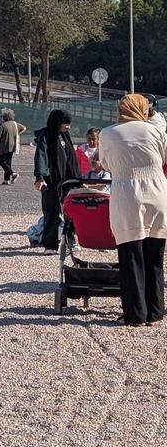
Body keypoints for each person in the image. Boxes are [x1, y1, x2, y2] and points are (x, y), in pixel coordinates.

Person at [100, 94, 167, 326]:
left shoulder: (107, 133)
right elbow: (164, 157)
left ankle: (136, 313)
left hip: (127, 192)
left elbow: (106, 163)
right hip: (158, 190)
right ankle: (156, 310)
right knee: (155, 255)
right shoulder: (156, 130)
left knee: (131, 255)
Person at [34, 110, 80, 251]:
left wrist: (77, 178)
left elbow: (71, 158)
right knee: (51, 211)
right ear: (57, 122)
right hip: (51, 180)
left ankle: (71, 240)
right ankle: (50, 245)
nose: (68, 127)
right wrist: (40, 176)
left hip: (67, 180)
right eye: (65, 123)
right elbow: (41, 156)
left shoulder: (65, 136)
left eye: (69, 124)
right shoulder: (46, 135)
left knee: (70, 211)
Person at [0, 109, 26, 186]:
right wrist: (17, 133)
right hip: (12, 146)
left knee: (1, 161)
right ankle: (6, 180)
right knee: (8, 162)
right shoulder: (15, 124)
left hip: (3, 146)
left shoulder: (2, 125)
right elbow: (24, 128)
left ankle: (13, 174)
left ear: (4, 117)